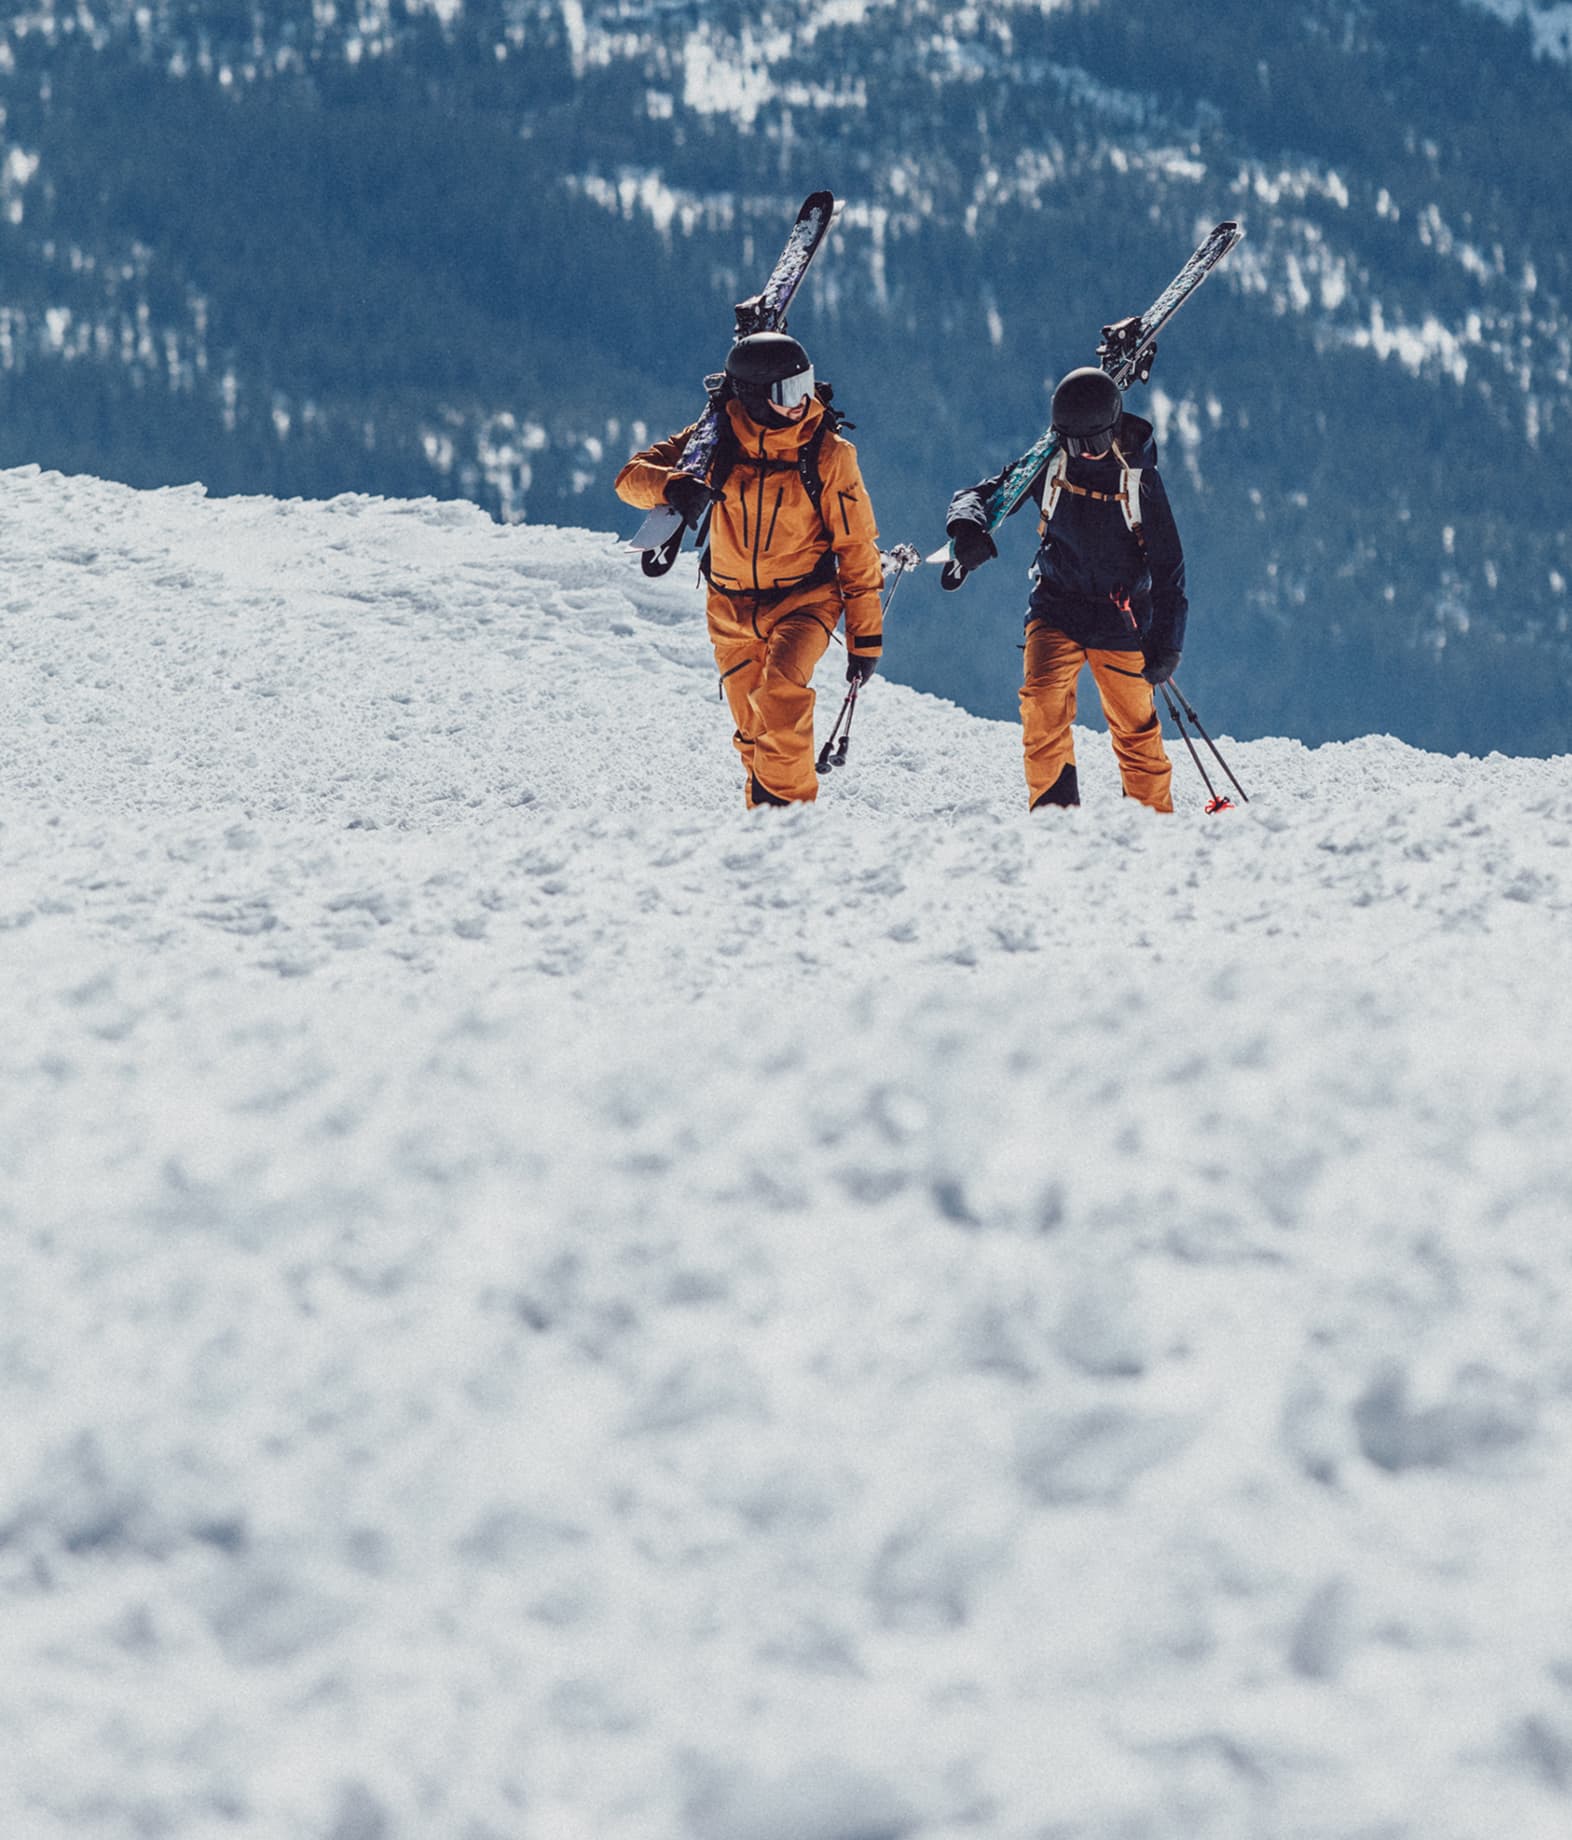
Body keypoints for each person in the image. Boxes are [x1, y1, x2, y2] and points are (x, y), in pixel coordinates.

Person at [615, 332, 884, 808]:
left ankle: (789, 827)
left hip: (804, 601)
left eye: (805, 383)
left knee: (781, 697)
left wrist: (866, 639)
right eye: (787, 391)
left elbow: (857, 547)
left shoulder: (827, 454)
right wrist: (671, 487)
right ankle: (765, 831)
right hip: (729, 608)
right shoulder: (714, 440)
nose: (802, 401)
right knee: (753, 732)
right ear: (754, 397)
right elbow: (630, 479)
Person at [944, 363, 1187, 813]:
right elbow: (984, 494)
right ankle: (1054, 819)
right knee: (1041, 704)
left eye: (1093, 443)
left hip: (1123, 619)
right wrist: (967, 527)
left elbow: (1169, 567)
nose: (1085, 454)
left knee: (1135, 729)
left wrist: (1166, 643)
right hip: (1056, 606)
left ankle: (1153, 829)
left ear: (1112, 428)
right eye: (1073, 444)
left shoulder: (1140, 480)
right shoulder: (1050, 462)